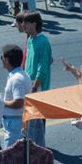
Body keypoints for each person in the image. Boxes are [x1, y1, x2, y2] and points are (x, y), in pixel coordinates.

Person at [22, 11, 51, 147]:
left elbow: (43, 67)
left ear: (34, 24)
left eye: (26, 22)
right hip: (29, 84)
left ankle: (39, 147)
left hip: (37, 87)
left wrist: (35, 86)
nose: (23, 25)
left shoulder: (43, 41)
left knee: (38, 120)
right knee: (30, 119)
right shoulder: (30, 39)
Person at [0, 44, 32, 147]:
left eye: (2, 57)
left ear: (7, 60)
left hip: (14, 124)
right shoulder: (19, 75)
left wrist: (2, 103)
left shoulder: (17, 79)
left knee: (10, 157)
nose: (1, 60)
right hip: (14, 122)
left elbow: (19, 102)